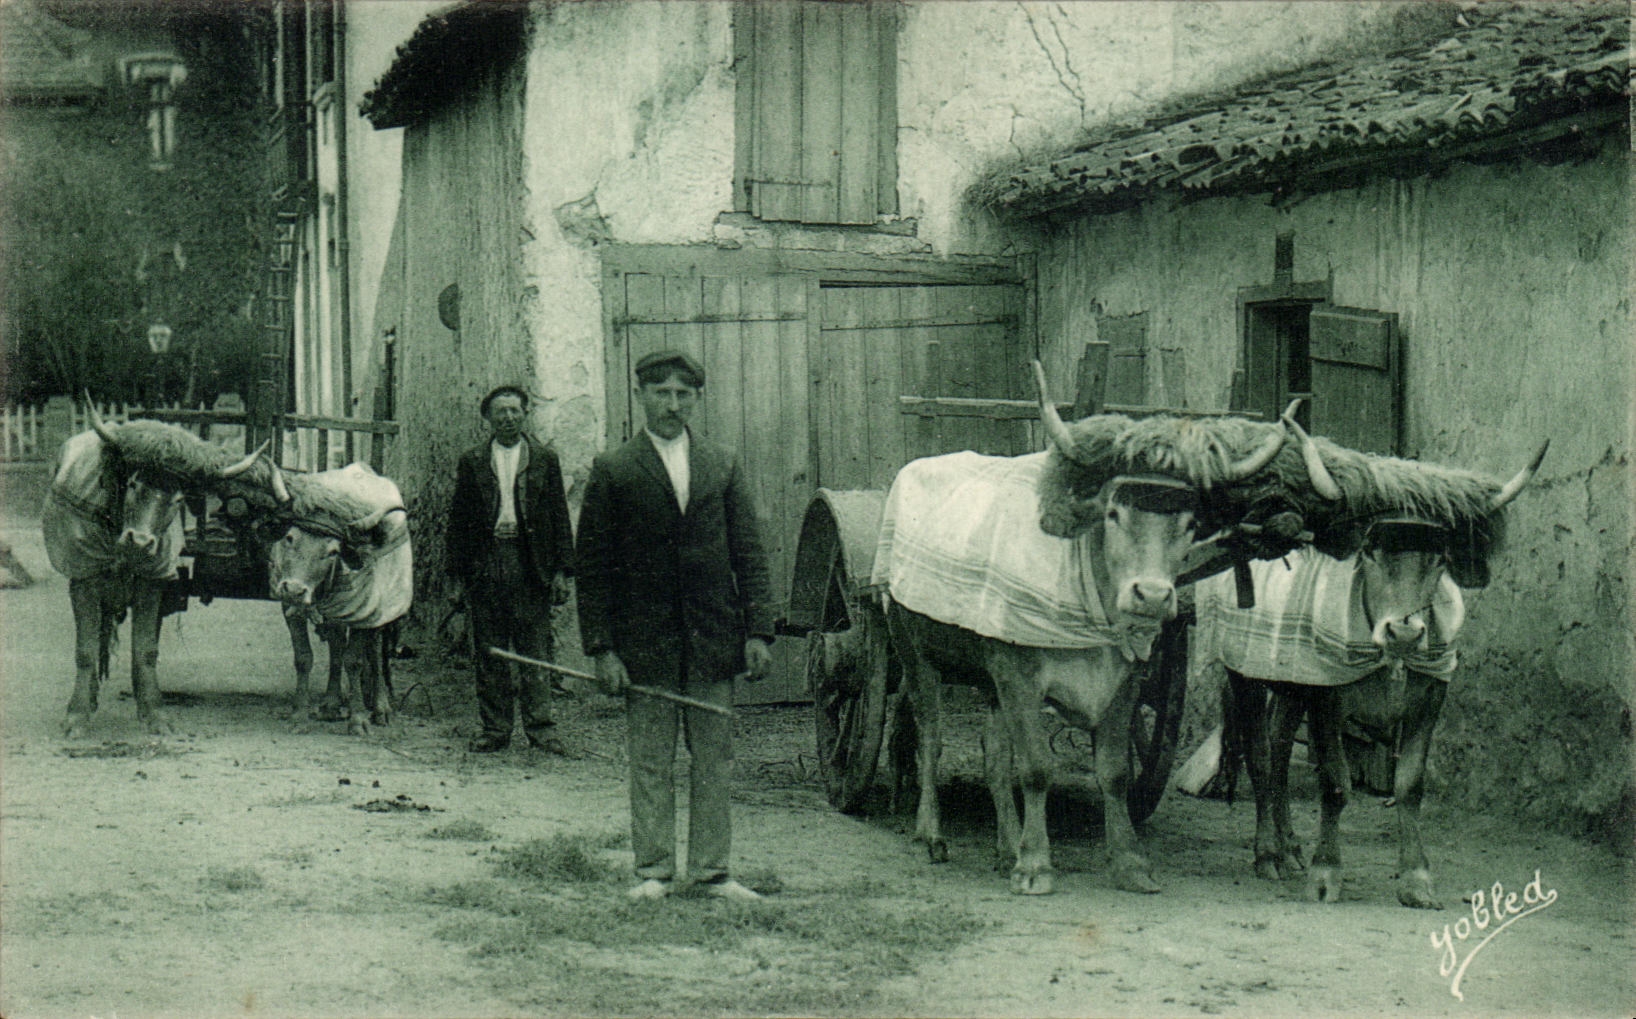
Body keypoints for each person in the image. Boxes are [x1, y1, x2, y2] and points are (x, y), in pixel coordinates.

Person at [576, 350, 775, 902]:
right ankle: (654, 871)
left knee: (713, 760)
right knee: (651, 762)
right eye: (661, 393)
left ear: (697, 399)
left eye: (683, 394)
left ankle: (713, 872)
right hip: (646, 647)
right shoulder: (613, 469)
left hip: (713, 640)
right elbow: (591, 568)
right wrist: (603, 648)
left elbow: (749, 553)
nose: (672, 404)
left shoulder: (723, 463)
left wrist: (757, 631)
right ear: (640, 395)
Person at [447, 384, 575, 754]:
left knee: (535, 649)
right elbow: (458, 522)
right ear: (488, 418)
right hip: (486, 564)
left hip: (529, 564)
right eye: (500, 412)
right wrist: (456, 576)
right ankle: (495, 729)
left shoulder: (545, 459)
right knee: (490, 651)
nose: (507, 418)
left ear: (525, 414)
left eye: (514, 411)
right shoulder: (472, 461)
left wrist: (563, 572)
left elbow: (559, 518)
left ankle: (541, 729)